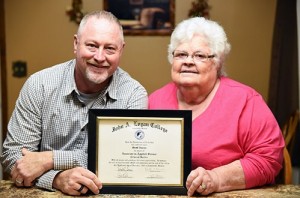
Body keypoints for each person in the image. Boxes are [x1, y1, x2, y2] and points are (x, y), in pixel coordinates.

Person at [1, 10, 148, 196]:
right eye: (92, 46)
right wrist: (57, 179)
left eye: (110, 48)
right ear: (76, 44)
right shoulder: (39, 85)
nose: (100, 57)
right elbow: (13, 155)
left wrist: (50, 159)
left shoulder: (133, 95)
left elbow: (123, 162)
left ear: (121, 50)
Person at [148, 17, 285, 196]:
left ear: (217, 62)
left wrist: (216, 178)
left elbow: (269, 159)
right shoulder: (153, 101)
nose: (188, 61)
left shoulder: (245, 101)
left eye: (200, 55)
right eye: (181, 54)